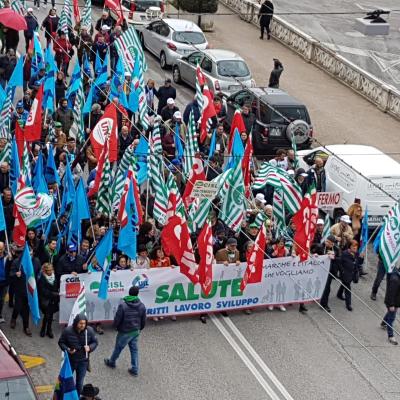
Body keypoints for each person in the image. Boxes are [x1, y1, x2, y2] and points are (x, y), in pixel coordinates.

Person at [104, 286, 146, 376]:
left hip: (125, 331)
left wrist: (115, 327)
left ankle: (112, 362)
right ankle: (135, 369)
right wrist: (140, 328)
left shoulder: (123, 305)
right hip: (135, 331)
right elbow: (143, 319)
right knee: (134, 350)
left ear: (129, 293)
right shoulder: (141, 305)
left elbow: (117, 319)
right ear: (137, 294)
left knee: (118, 348)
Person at [58, 314, 98, 394]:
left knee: (79, 383)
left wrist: (90, 347)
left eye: (84, 323)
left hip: (83, 362)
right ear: (76, 323)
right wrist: (68, 349)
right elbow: (61, 342)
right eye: (80, 323)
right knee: (65, 380)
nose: (82, 325)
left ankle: (77, 396)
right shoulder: (67, 331)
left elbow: (95, 342)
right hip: (70, 361)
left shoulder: (89, 331)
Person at [318, 235, 341, 313]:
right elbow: (314, 253)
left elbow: (340, 259)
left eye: (329, 242)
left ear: (333, 244)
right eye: (326, 241)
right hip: (320, 270)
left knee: (327, 288)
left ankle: (324, 304)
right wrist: (316, 255)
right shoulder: (321, 246)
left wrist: (334, 257)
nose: (327, 243)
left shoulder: (336, 249)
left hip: (330, 271)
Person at [337, 240, 361, 311]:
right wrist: (342, 271)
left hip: (352, 273)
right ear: (350, 247)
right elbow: (339, 262)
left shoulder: (356, 253)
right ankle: (348, 304)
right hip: (345, 274)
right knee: (348, 289)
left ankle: (339, 294)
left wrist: (361, 258)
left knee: (344, 284)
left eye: (356, 247)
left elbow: (358, 263)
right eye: (353, 247)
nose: (355, 248)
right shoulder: (344, 254)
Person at [38, 263, 59, 338]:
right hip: (46, 300)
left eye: (51, 270)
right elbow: (43, 291)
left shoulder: (55, 277)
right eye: (48, 270)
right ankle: (44, 329)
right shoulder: (42, 279)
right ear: (45, 271)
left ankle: (48, 329)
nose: (50, 272)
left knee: (51, 316)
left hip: (53, 300)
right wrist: (54, 294)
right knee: (47, 315)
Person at [381, 269, 400, 345]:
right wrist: (391, 305)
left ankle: (383, 323)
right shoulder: (395, 280)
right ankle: (391, 336)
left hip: (396, 302)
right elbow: (391, 293)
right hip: (392, 302)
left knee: (390, 313)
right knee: (391, 318)